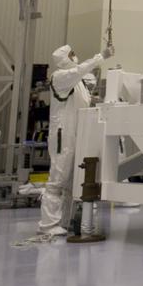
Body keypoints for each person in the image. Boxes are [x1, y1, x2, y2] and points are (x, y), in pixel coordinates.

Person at [37, 43, 111, 238]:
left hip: (76, 134)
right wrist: (100, 56)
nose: (75, 56)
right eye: (72, 54)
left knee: (71, 182)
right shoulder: (60, 76)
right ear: (65, 58)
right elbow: (79, 70)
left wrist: (96, 100)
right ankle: (47, 225)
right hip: (63, 134)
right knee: (58, 180)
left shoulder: (76, 82)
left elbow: (84, 100)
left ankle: (65, 222)